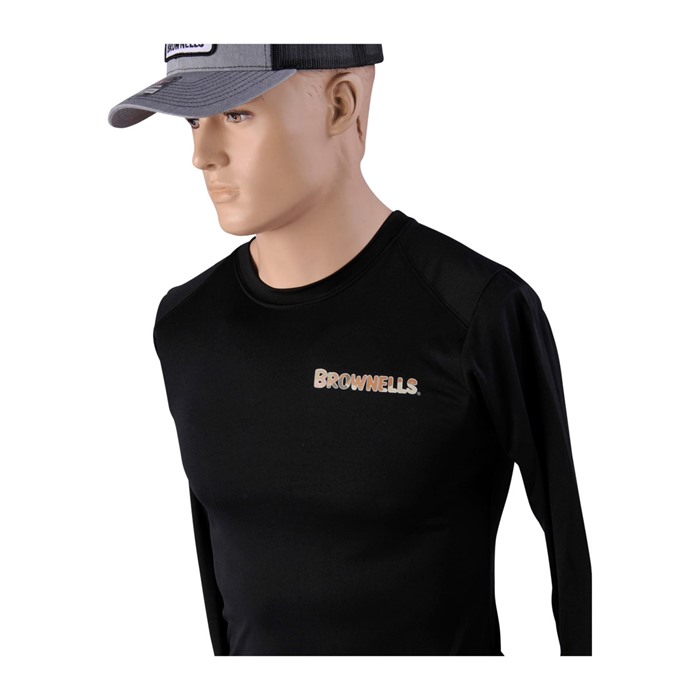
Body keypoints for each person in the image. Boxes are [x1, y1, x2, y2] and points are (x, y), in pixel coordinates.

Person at [108, 43, 592, 656]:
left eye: (236, 114)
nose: (203, 155)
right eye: (194, 122)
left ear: (341, 105)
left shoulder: (475, 309)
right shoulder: (188, 324)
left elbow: (569, 549)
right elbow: (224, 569)